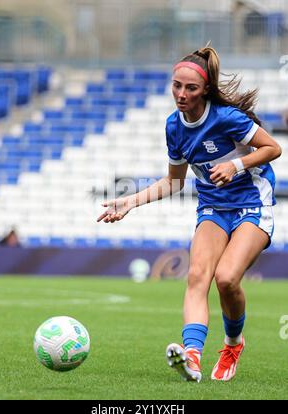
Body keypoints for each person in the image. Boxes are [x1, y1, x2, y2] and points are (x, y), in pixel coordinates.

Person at [97, 45, 282, 383]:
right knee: (198, 276)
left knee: (226, 279)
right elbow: (174, 182)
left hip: (252, 204)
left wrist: (236, 164)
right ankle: (192, 357)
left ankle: (232, 345)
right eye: (176, 86)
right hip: (213, 207)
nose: (181, 95)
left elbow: (273, 148)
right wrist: (130, 202)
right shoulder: (174, 127)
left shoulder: (227, 118)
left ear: (206, 89)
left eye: (191, 88)